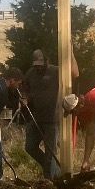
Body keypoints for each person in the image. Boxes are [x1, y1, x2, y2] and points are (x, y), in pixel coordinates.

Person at [20, 49, 63, 179]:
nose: (38, 67)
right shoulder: (30, 73)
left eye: (40, 64)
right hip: (37, 117)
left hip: (53, 118)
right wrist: (25, 98)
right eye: (36, 65)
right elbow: (24, 89)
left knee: (51, 150)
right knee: (30, 147)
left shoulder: (56, 71)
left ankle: (50, 179)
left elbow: (73, 75)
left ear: (46, 61)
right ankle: (52, 170)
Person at [64, 84, 95, 184]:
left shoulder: (94, 98)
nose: (74, 115)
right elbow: (90, 134)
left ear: (78, 106)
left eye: (73, 112)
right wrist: (86, 160)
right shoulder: (85, 111)